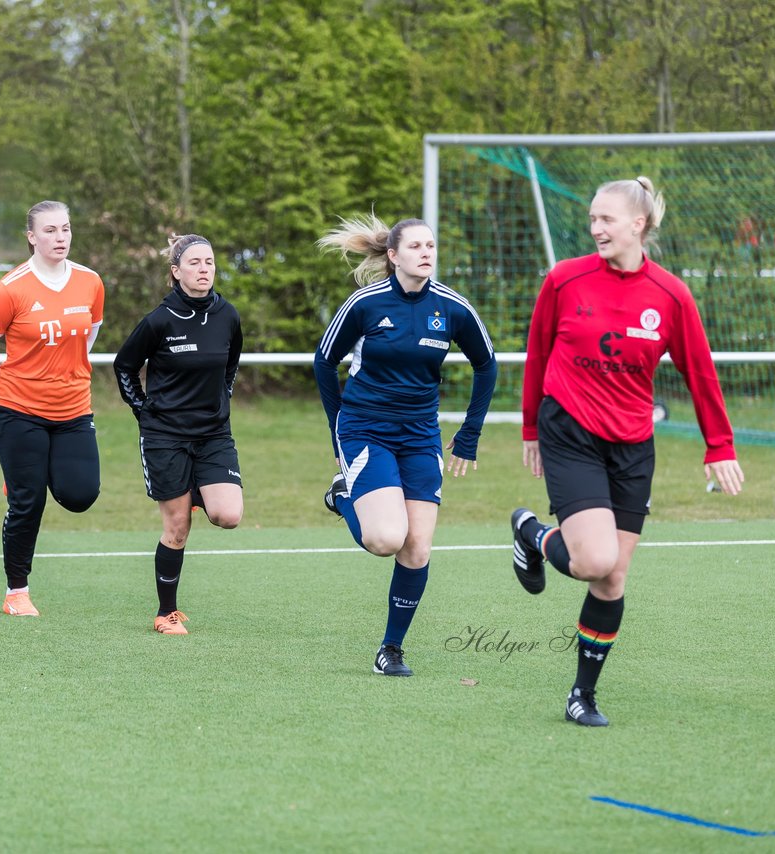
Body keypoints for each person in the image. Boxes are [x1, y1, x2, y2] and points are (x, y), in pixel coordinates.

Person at [510, 176, 745, 727]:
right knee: (595, 559)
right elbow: (538, 352)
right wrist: (529, 429)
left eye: (606, 219)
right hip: (570, 431)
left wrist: (720, 445)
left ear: (638, 224)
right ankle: (540, 537)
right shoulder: (565, 280)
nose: (595, 228)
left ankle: (581, 695)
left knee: (612, 579)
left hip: (633, 444)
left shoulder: (670, 295)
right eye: (592, 219)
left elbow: (700, 372)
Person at [314, 213, 497, 677]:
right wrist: (338, 426)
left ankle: (390, 649)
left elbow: (487, 364)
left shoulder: (452, 307)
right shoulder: (365, 303)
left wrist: (469, 436)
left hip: (419, 436)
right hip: (365, 429)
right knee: (384, 539)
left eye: (431, 246)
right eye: (416, 247)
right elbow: (324, 361)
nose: (427, 253)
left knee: (416, 549)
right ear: (393, 256)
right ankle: (343, 495)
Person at [0, 201, 105, 617]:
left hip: (73, 408)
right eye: (49, 231)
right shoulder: (12, 288)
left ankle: (27, 476)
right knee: (28, 504)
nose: (59, 237)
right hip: (19, 409)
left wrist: (66, 372)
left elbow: (89, 337)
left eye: (65, 229)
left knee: (81, 495)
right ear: (31, 236)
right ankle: (17, 592)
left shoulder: (91, 282)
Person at [113, 234, 244, 635]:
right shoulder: (159, 320)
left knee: (229, 515)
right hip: (165, 436)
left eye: (209, 262)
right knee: (177, 528)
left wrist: (220, 402)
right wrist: (144, 412)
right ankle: (165, 613)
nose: (204, 269)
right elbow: (124, 367)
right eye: (195, 263)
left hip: (213, 434)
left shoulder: (228, 315)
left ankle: (196, 489)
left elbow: (230, 367)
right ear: (176, 272)